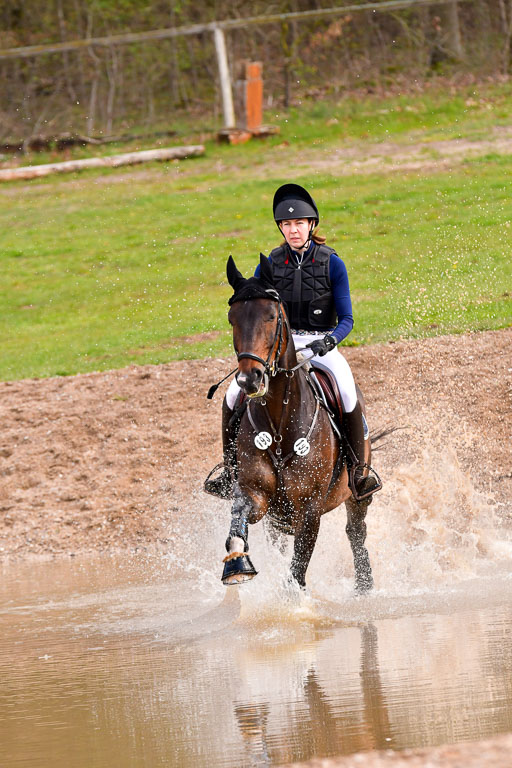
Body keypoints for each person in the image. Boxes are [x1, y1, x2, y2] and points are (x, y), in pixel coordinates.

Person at [205, 183, 380, 500]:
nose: (293, 230)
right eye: (287, 224)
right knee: (232, 396)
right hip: (278, 348)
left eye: (299, 223)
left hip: (320, 344)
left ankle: (358, 472)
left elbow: (347, 320)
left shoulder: (332, 264)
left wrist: (327, 342)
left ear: (311, 225)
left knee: (346, 392)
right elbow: (256, 312)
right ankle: (230, 470)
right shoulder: (269, 264)